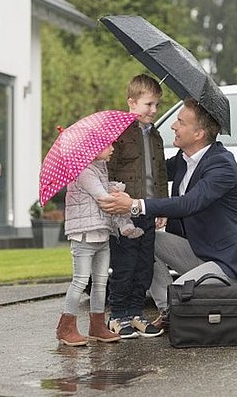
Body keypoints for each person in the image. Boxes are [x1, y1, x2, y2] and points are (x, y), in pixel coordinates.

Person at [99, 97, 237, 329]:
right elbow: (149, 173)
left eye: (181, 122)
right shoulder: (184, 160)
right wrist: (123, 141)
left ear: (199, 134)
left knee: (179, 293)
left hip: (229, 261)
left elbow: (188, 204)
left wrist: (135, 204)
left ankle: (175, 311)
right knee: (144, 237)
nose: (173, 126)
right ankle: (170, 313)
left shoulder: (222, 166)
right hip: (198, 252)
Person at [56, 143, 143, 346]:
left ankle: (97, 325)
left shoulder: (100, 168)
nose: (112, 148)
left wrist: (112, 187)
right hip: (85, 235)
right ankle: (65, 327)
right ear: (92, 149)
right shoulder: (84, 171)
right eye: (107, 145)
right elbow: (102, 197)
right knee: (80, 280)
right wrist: (126, 200)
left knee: (101, 282)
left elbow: (104, 190)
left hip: (102, 234)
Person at [105, 74, 169, 339]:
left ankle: (135, 312)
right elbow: (108, 171)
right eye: (148, 105)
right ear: (132, 102)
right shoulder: (118, 133)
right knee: (125, 263)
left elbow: (162, 174)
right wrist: (113, 198)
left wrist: (162, 207)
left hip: (148, 209)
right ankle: (117, 314)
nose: (153, 111)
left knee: (144, 264)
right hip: (124, 213)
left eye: (156, 105)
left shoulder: (155, 136)